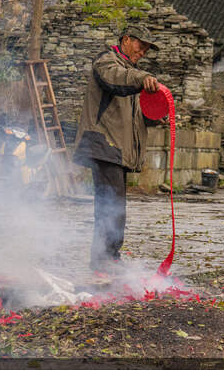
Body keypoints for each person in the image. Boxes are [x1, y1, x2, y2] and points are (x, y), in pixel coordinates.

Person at [73, 24, 162, 273]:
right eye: (140, 45)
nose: (143, 51)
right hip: (103, 143)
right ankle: (104, 261)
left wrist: (156, 115)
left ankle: (108, 259)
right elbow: (115, 81)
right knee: (110, 206)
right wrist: (142, 78)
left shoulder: (131, 75)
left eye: (146, 48)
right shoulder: (107, 62)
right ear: (125, 40)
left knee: (115, 206)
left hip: (117, 149)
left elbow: (135, 117)